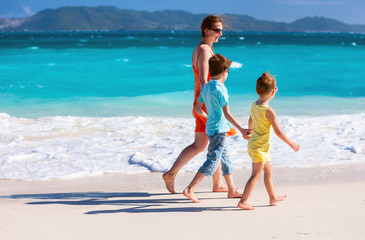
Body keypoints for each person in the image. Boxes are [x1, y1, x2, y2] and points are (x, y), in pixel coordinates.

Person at [163, 15, 229, 194]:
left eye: (221, 30)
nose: (220, 34)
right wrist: (203, 105)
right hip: (207, 104)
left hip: (204, 102)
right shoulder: (204, 50)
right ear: (206, 30)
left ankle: (217, 183)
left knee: (209, 144)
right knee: (206, 144)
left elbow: (200, 81)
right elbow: (202, 80)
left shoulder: (205, 48)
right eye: (217, 30)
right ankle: (171, 174)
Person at [183, 54, 252, 203]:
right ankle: (190, 188)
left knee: (225, 158)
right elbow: (227, 113)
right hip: (219, 130)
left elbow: (197, 108)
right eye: (228, 71)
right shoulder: (221, 89)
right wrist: (241, 129)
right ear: (224, 71)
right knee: (213, 160)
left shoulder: (206, 86)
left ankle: (232, 190)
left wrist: (209, 118)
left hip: (211, 128)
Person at [238, 72, 300, 210]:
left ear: (256, 90)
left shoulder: (255, 105)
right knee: (256, 175)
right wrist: (291, 143)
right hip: (260, 148)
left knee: (269, 170)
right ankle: (243, 200)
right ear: (273, 93)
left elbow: (250, 120)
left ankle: (273, 197)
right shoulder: (269, 111)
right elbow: (278, 132)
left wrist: (250, 130)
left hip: (255, 144)